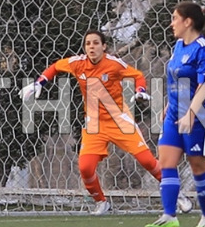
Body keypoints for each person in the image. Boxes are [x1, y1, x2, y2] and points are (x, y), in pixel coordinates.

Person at [19, 30, 192, 215]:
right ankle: (101, 202)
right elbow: (55, 67)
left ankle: (178, 195)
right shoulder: (78, 63)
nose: (91, 47)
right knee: (85, 168)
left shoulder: (113, 64)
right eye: (88, 44)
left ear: (104, 46)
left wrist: (140, 90)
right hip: (94, 125)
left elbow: (136, 75)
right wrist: (39, 83)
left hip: (120, 121)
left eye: (95, 43)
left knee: (147, 161)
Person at [145, 2, 205, 227]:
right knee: (166, 162)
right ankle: (169, 216)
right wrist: (169, 104)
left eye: (175, 18)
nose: (171, 23)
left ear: (188, 22)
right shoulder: (179, 46)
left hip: (201, 117)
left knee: (198, 166)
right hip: (175, 115)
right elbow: (177, 78)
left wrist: (190, 113)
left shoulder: (204, 49)